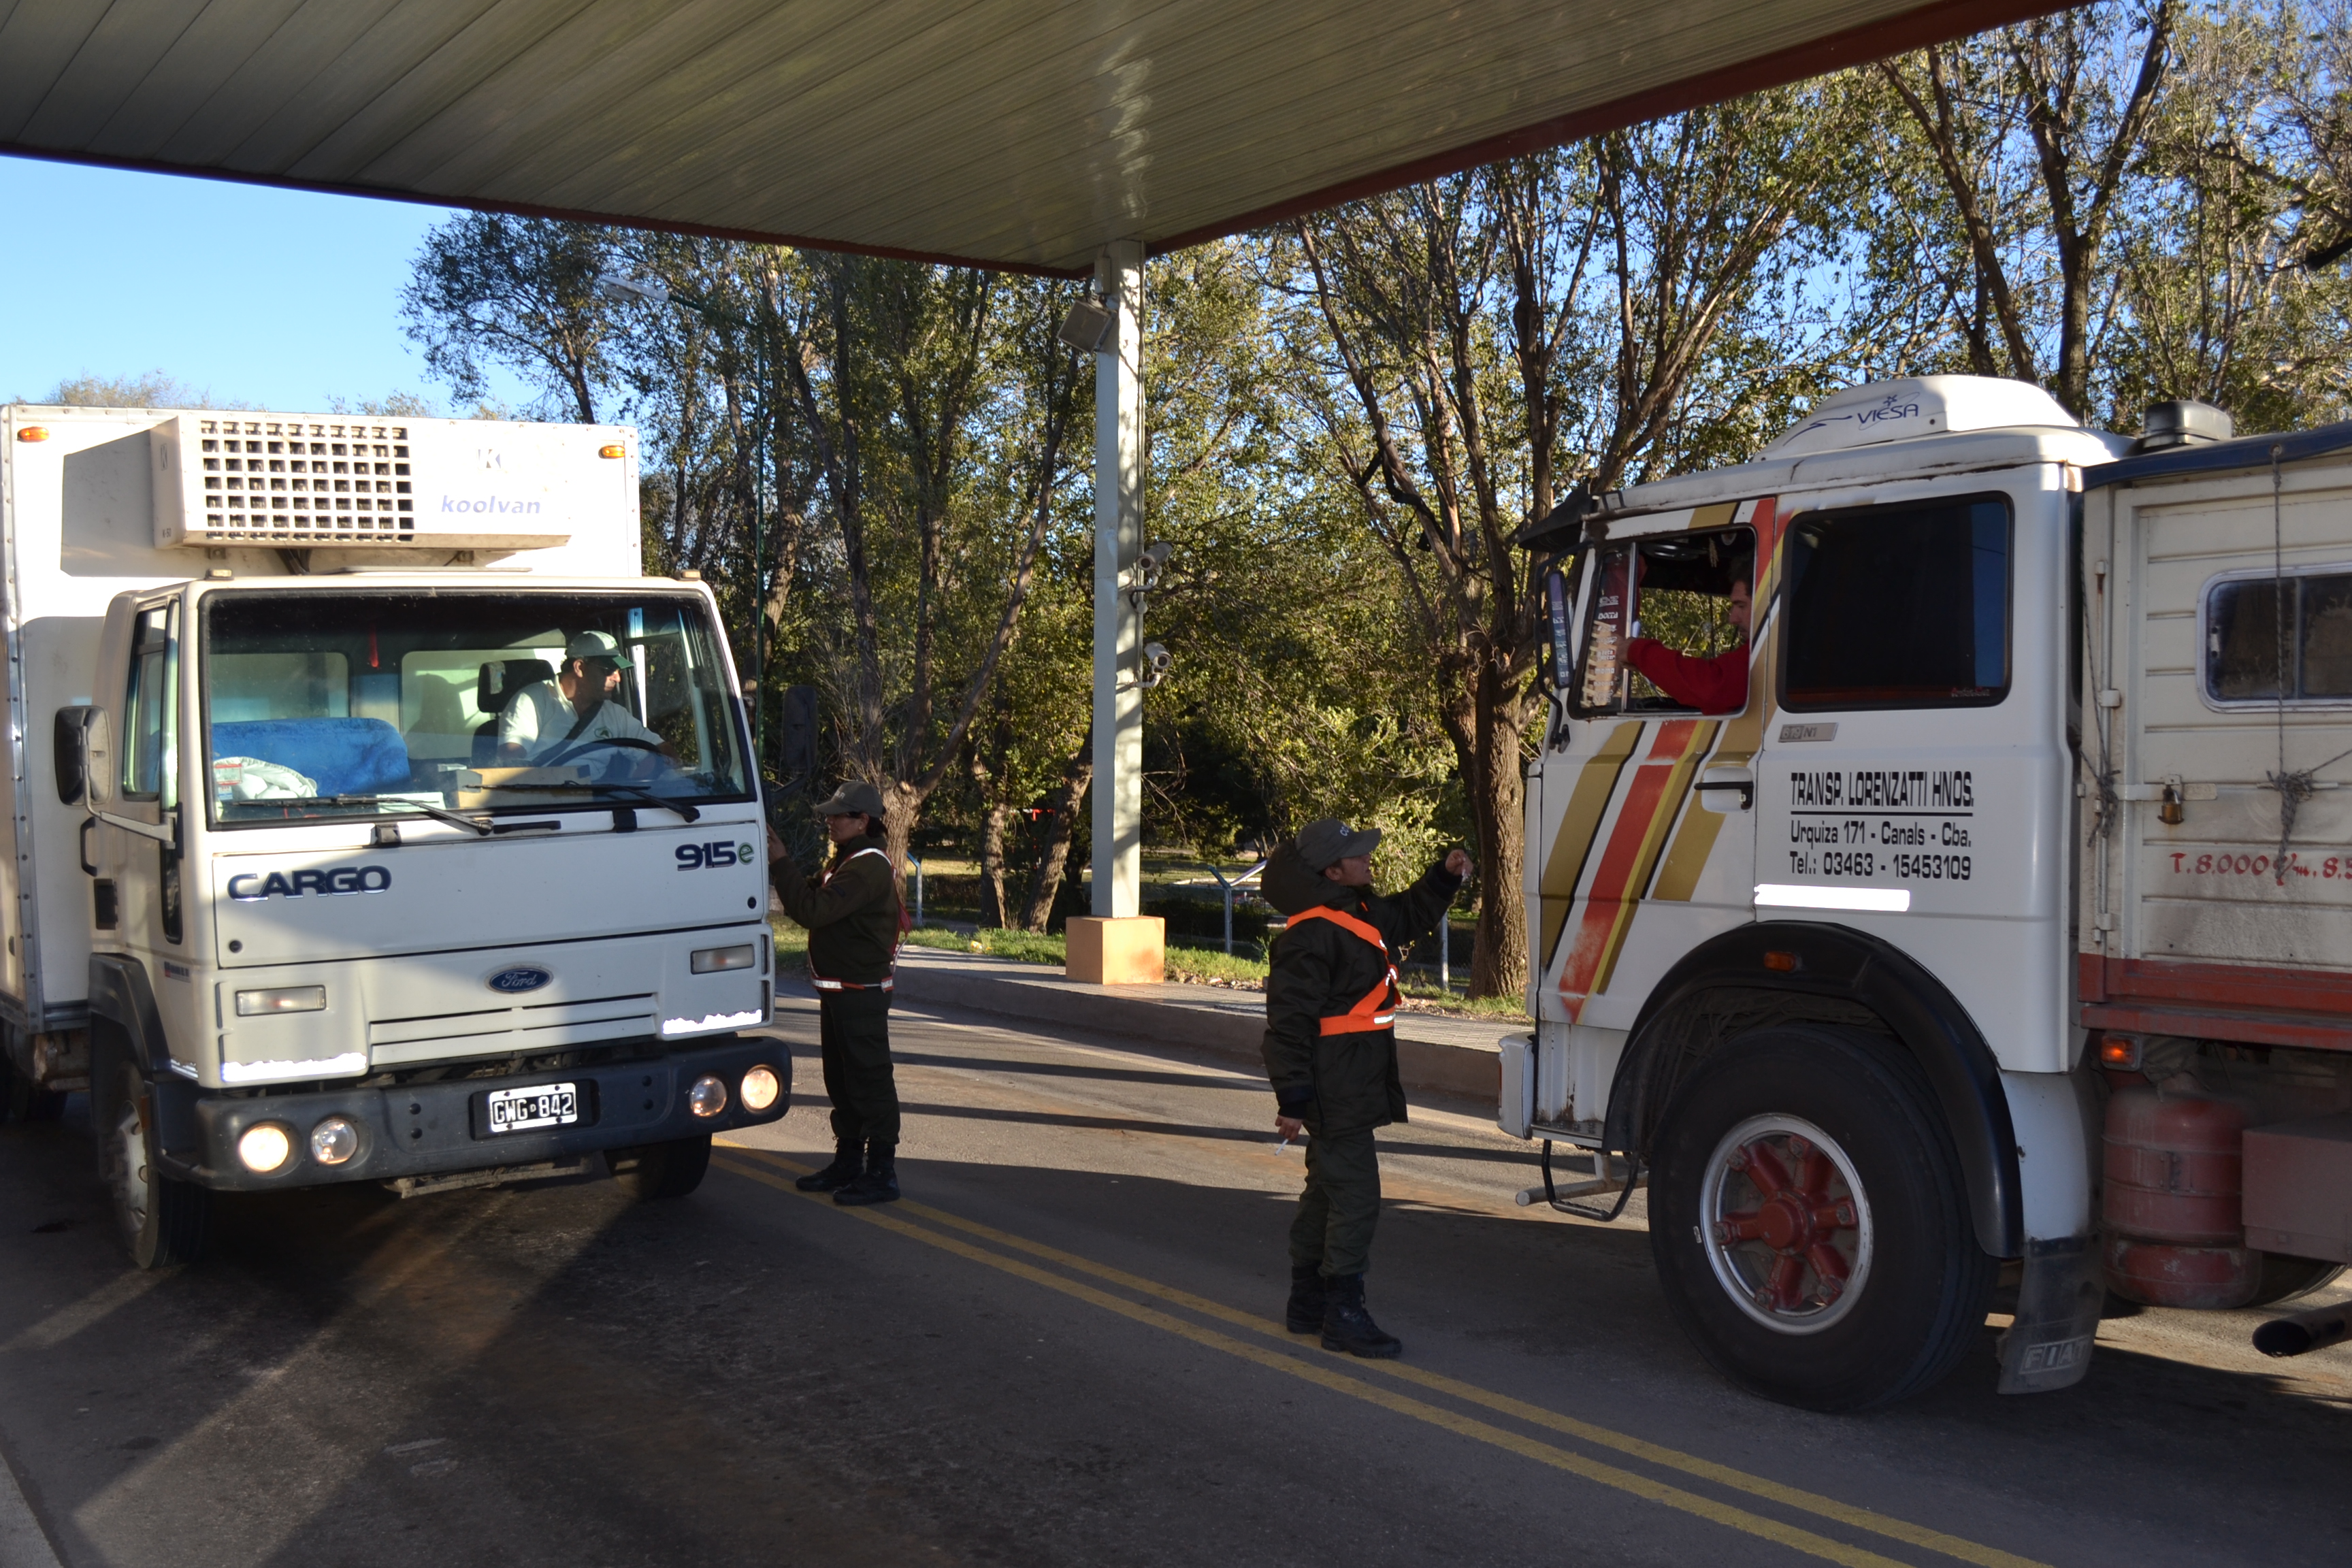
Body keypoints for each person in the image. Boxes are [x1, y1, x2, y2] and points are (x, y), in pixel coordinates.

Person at [1263, 819, 1469, 1358]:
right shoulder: (1309, 934)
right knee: (1356, 1198)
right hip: (1336, 1086)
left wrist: (1443, 879)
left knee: (1325, 1192)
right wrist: (1293, 1098)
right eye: (1358, 855)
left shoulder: (1359, 912)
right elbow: (1288, 1023)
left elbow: (1411, 913)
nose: (1368, 860)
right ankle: (1344, 1314)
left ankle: (1307, 1303)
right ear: (1333, 871)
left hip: (1353, 1079)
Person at [766, 781, 905, 1206]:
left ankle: (881, 1173)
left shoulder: (867, 866)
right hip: (841, 992)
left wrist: (781, 861)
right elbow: (805, 898)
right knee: (843, 1082)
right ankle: (848, 1163)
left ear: (862, 820)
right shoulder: (846, 861)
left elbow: (812, 911)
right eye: (829, 814)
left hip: (860, 992)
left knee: (870, 1080)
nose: (829, 821)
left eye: (837, 815)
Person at [497, 630, 670, 766]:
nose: (617, 679)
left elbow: (663, 752)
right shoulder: (533, 700)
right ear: (580, 668)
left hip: (599, 804)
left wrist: (638, 789)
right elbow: (512, 762)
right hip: (544, 803)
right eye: (609, 670)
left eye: (619, 671)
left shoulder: (614, 714)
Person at [1622, 567, 1752, 714]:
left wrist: (1637, 652)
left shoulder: (1768, 654)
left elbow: (1713, 689)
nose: (1733, 619)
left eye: (1742, 606)